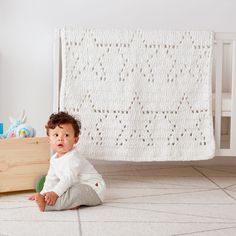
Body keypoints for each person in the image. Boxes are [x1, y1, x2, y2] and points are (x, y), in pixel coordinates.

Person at [28, 111, 106, 212]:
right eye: (56, 135)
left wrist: (55, 193)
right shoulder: (54, 159)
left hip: (94, 190)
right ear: (49, 140)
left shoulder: (74, 159)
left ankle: (48, 206)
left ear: (75, 139)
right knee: (65, 188)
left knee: (75, 192)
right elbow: (51, 179)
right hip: (77, 185)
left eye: (66, 135)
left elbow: (68, 178)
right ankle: (66, 202)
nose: (60, 139)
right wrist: (44, 193)